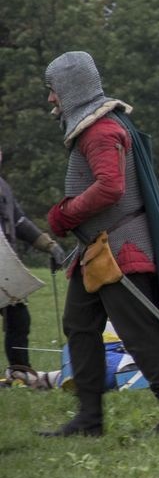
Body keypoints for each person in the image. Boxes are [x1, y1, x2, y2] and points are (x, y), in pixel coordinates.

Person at [42, 50, 159, 436]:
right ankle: (90, 417)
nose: (51, 99)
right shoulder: (95, 127)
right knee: (78, 324)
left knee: (138, 333)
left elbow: (110, 188)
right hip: (95, 249)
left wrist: (65, 214)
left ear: (70, 88)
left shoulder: (102, 131)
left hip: (120, 249)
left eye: (53, 90)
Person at [1, 146, 67, 368]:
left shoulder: (3, 186)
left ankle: (20, 371)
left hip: (5, 268)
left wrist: (49, 246)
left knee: (19, 319)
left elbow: (19, 221)